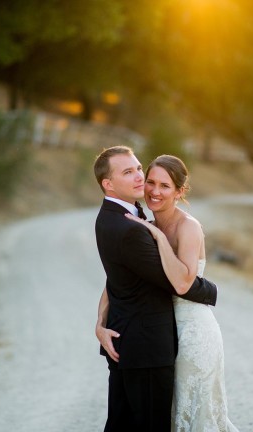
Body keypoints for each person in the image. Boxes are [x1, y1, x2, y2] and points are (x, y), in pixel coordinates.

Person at [93, 146, 218, 432]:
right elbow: (173, 282)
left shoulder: (142, 222)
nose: (143, 181)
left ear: (179, 191)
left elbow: (131, 276)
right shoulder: (135, 226)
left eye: (139, 169)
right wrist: (211, 291)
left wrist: (160, 239)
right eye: (137, 175)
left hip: (186, 333)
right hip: (148, 344)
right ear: (108, 184)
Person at [125, 155, 239, 432]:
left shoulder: (189, 227)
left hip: (194, 334)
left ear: (179, 191)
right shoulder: (147, 223)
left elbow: (183, 284)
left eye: (165, 185)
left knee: (196, 418)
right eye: (150, 182)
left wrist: (160, 238)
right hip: (162, 333)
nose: (154, 191)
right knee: (171, 415)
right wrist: (100, 319)